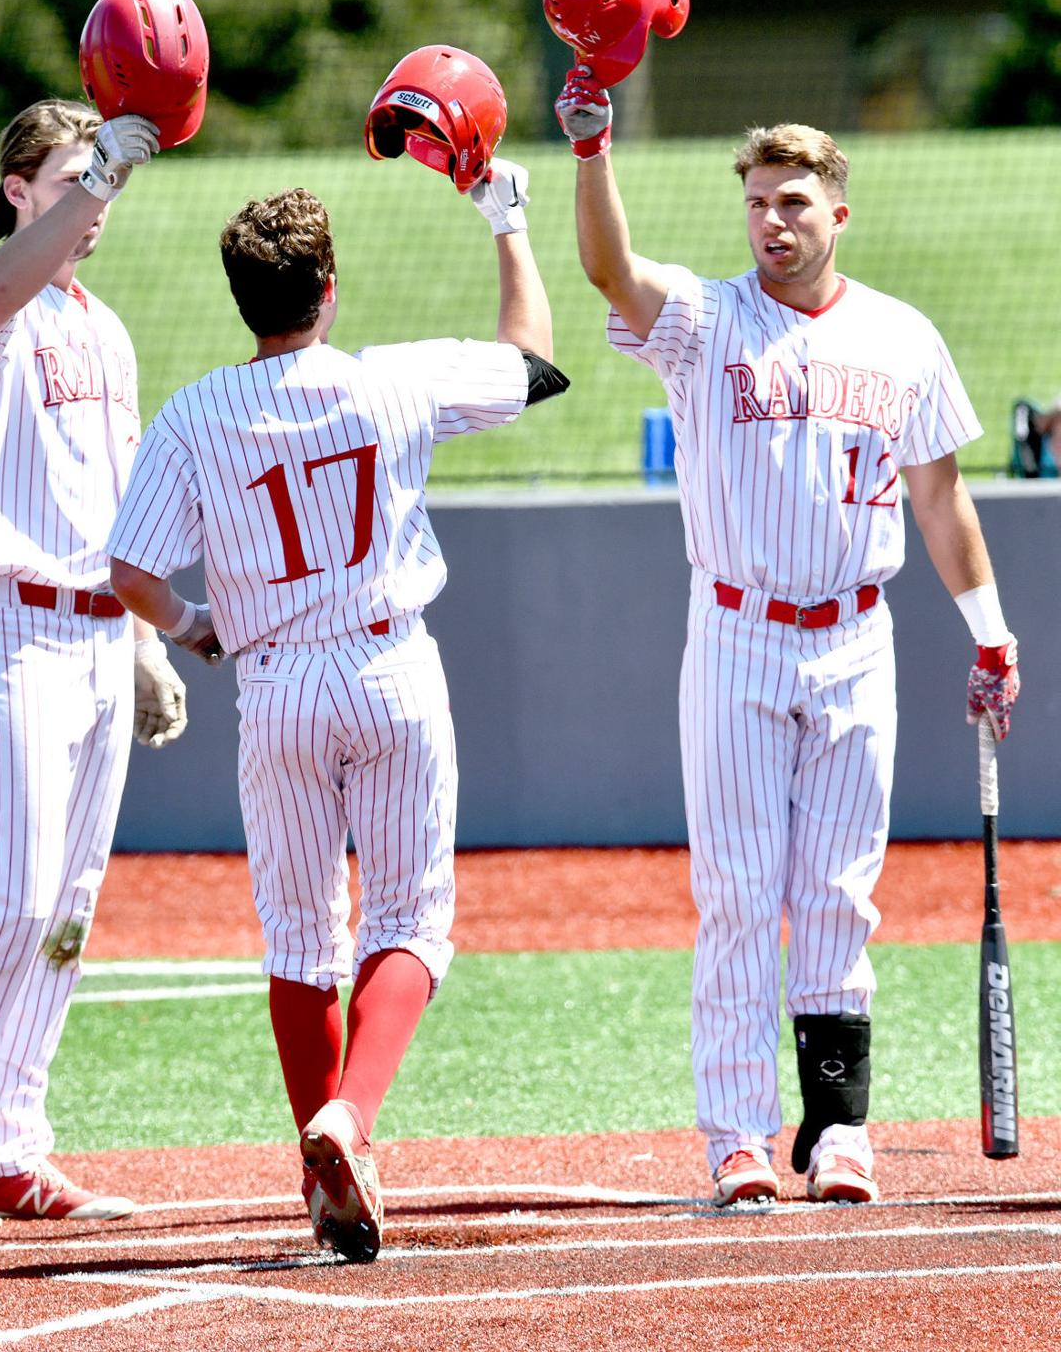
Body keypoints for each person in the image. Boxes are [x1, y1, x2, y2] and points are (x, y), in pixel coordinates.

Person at [555, 72, 1020, 1208]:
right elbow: (609, 269)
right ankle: (738, 1136)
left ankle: (839, 1128)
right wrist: (593, 150)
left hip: (858, 638)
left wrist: (991, 634)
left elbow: (941, 498)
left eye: (795, 201)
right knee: (738, 892)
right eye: (759, 201)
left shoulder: (902, 336)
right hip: (736, 635)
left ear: (837, 213)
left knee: (839, 895)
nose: (773, 220)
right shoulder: (706, 321)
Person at [105, 160, 565, 1262]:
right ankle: (350, 1117)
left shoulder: (195, 413)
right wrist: (505, 219)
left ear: (241, 297)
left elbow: (129, 571)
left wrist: (194, 626)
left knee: (301, 933)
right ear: (329, 288)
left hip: (275, 684)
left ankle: (323, 1188)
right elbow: (536, 363)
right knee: (411, 920)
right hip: (390, 665)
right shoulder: (391, 378)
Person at [0, 99, 190, 1231]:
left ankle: (10, 1145)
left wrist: (143, 638)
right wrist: (99, 177)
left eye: (103, 179)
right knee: (10, 896)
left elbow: (120, 501)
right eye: (68, 179)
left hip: (99, 633)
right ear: (17, 190)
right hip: (6, 630)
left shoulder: (109, 330)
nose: (95, 199)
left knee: (68, 905)